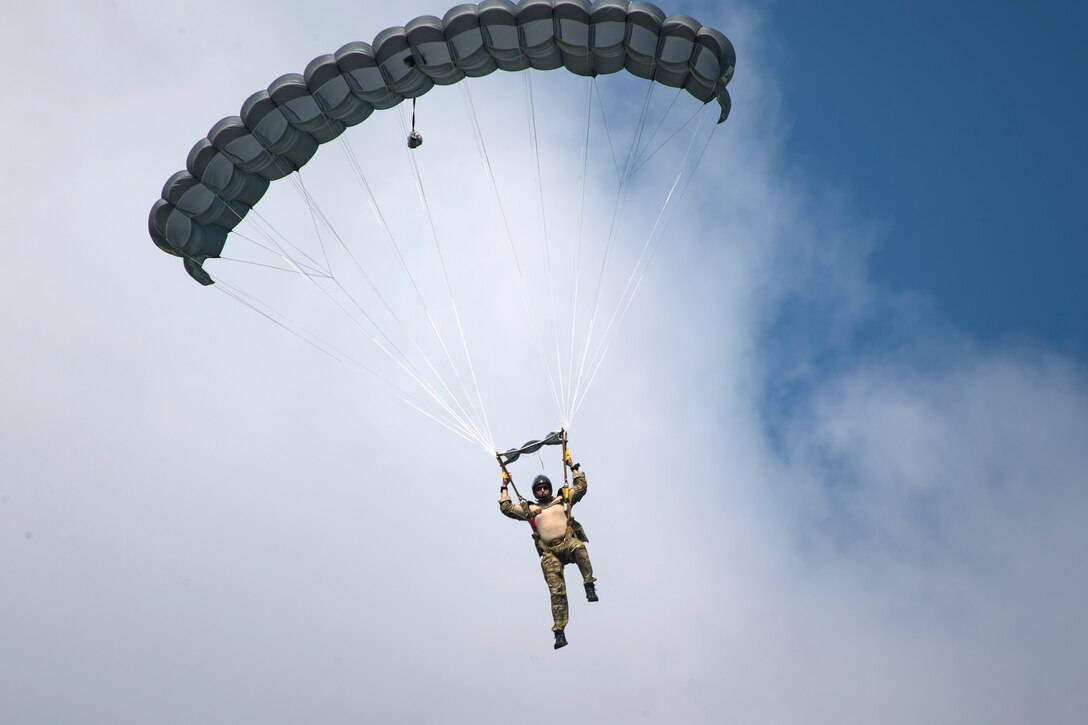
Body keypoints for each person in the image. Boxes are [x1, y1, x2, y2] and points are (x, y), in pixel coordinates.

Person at [499, 451, 598, 649]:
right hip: (550, 553)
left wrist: (572, 466)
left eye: (545, 488)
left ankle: (589, 584)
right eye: (539, 489)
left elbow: (581, 487)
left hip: (567, 543)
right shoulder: (529, 509)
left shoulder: (562, 499)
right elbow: (507, 508)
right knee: (556, 591)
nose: (543, 491)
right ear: (535, 492)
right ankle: (559, 632)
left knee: (579, 548)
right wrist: (505, 485)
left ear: (550, 489)